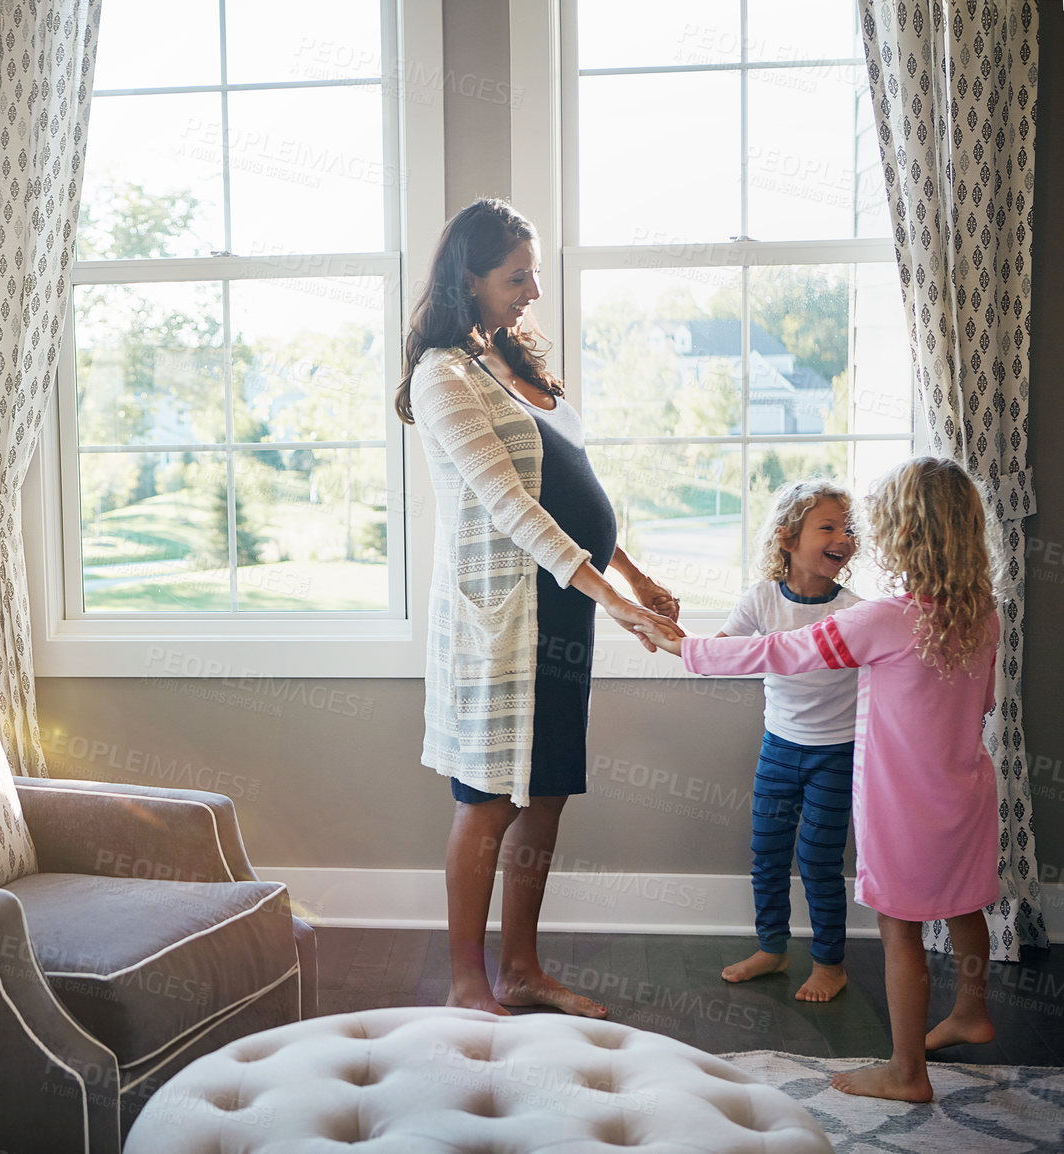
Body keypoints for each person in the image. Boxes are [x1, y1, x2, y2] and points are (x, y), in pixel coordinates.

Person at [397, 197, 683, 1017]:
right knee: (488, 799)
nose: (531, 291)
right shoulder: (443, 375)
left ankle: (522, 969)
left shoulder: (507, 362)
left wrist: (627, 576)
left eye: (534, 274)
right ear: (470, 277)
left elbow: (568, 489)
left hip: (564, 610)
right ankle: (466, 984)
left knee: (546, 792)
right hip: (505, 620)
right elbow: (509, 506)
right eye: (516, 276)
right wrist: (611, 595)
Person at [643, 456, 1000, 1102]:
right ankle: (971, 1010)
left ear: (904, 534)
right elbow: (987, 704)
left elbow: (783, 651)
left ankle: (907, 1071)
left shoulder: (879, 619)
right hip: (969, 795)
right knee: (964, 902)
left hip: (904, 808)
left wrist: (684, 648)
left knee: (901, 932)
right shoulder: (984, 614)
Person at [714, 481, 862, 1002]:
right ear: (787, 538)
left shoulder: (854, 610)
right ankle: (772, 948)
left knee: (820, 859)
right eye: (828, 526)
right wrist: (675, 639)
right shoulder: (761, 599)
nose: (843, 537)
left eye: (848, 528)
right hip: (778, 747)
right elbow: (723, 652)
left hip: (836, 753)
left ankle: (830, 963)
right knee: (768, 854)